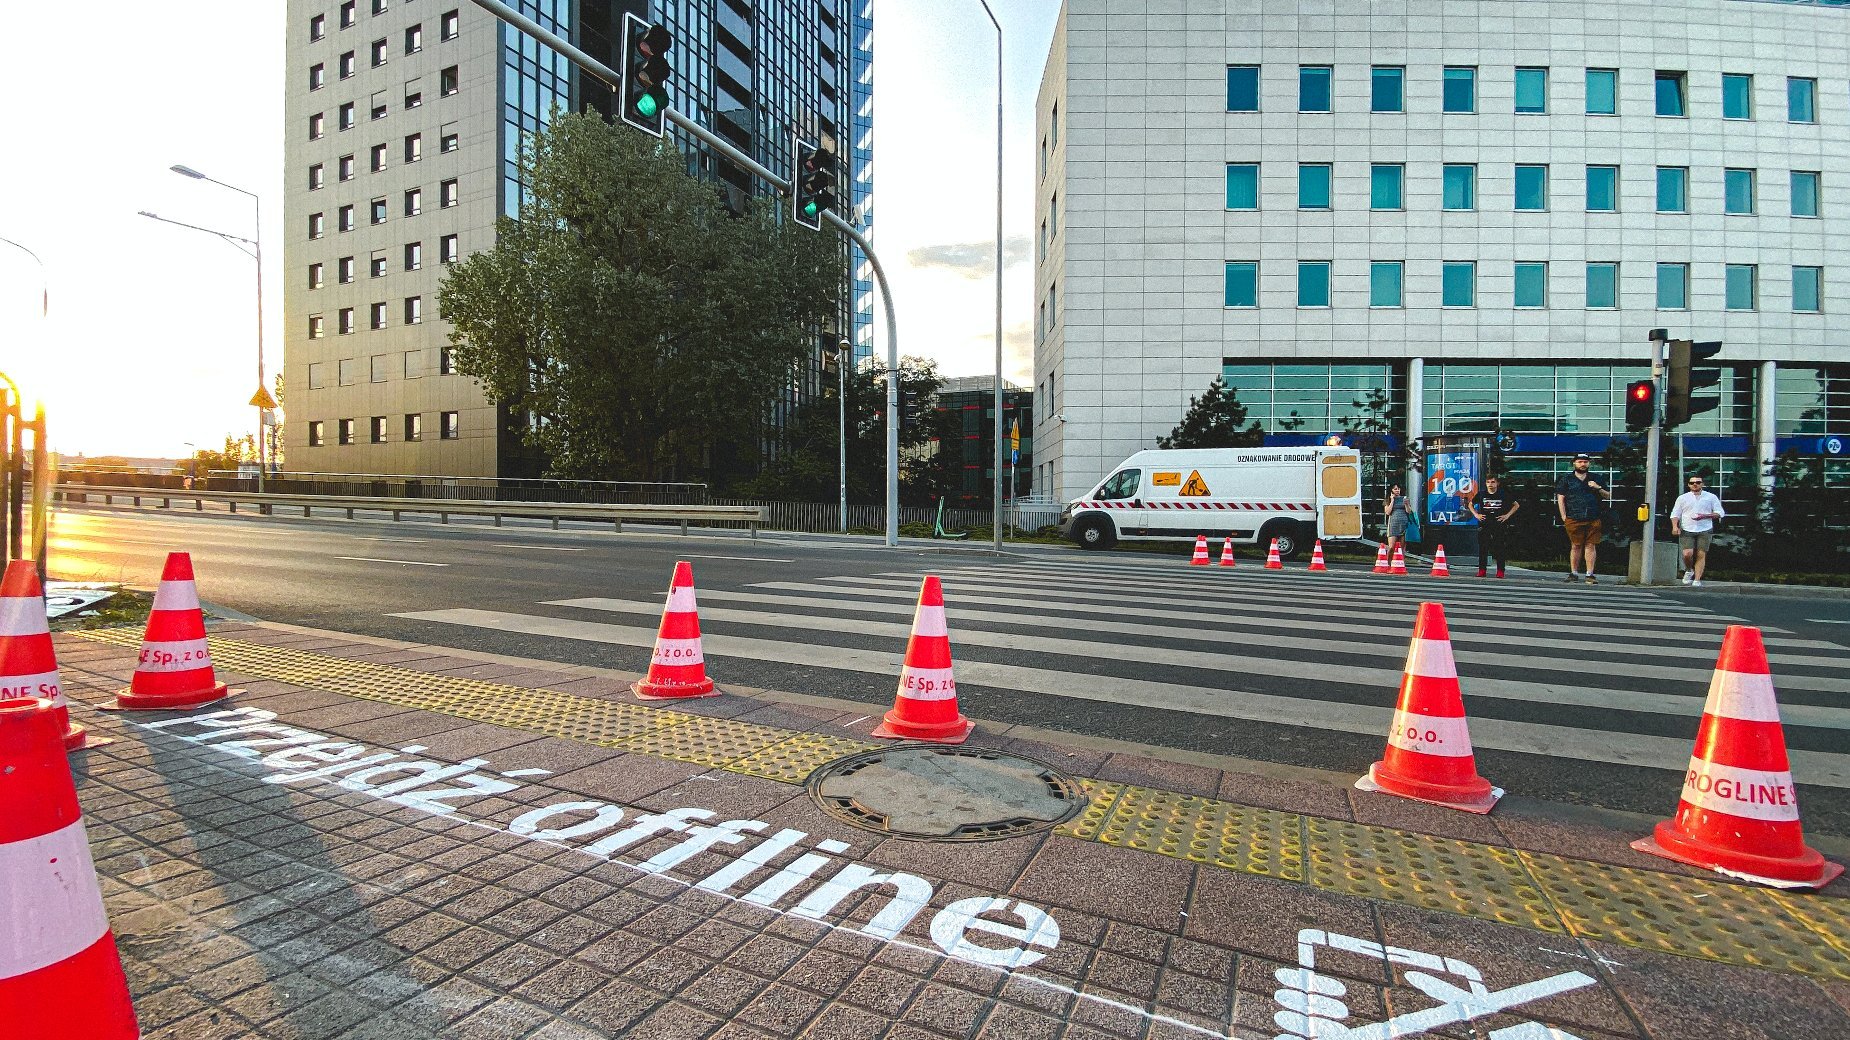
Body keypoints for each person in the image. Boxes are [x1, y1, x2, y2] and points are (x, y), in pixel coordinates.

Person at [1555, 453, 1613, 585]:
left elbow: (1608, 496)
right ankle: (1574, 573)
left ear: (1589, 464)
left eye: (1585, 462)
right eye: (1580, 461)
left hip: (1593, 516)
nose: (1583, 464)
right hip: (1574, 517)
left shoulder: (1596, 478)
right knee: (1575, 545)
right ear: (1574, 463)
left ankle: (1590, 574)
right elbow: (1561, 498)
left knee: (1591, 545)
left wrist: (1598, 488)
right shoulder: (1567, 479)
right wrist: (1564, 516)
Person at [1670, 475, 1726, 587]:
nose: (1695, 484)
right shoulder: (1683, 498)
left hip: (1705, 529)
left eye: (1698, 482)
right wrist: (1675, 527)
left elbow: (1720, 513)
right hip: (1687, 528)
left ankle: (1697, 579)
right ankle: (1689, 570)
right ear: (1688, 485)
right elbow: (1675, 514)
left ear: (1702, 484)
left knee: (1701, 554)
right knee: (1687, 553)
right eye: (1692, 483)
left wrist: (1705, 516)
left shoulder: (1711, 497)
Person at [1469, 475, 1519, 578]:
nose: (1490, 485)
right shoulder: (1482, 494)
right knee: (1483, 547)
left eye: (1492, 482)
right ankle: (1482, 570)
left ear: (1497, 483)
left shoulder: (1503, 494)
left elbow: (1516, 505)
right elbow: (1470, 504)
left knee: (1499, 547)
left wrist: (1507, 516)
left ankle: (1500, 571)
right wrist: (1476, 514)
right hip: (1485, 522)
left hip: (1498, 522)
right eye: (1488, 482)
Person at [1383, 483, 1411, 561]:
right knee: (1391, 547)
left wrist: (1407, 504)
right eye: (1395, 489)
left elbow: (1409, 511)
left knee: (1402, 548)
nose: (1397, 490)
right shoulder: (1388, 499)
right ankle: (1388, 564)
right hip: (1393, 525)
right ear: (1391, 490)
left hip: (1404, 524)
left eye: (1398, 489)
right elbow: (1388, 512)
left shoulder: (1404, 498)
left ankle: (1401, 565)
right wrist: (1392, 501)